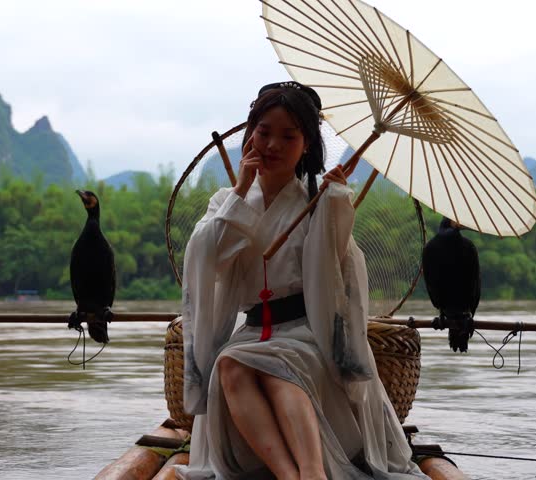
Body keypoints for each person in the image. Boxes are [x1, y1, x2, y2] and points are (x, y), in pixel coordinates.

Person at [176, 82, 429, 480]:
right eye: (263, 132)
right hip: (254, 331)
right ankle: (290, 474)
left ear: (307, 145)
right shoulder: (226, 199)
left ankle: (311, 473)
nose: (272, 144)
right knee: (230, 366)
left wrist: (334, 205)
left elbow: (337, 273)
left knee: (280, 367)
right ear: (250, 135)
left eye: (288, 136)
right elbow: (208, 260)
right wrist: (241, 192)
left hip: (305, 334)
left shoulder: (318, 199)